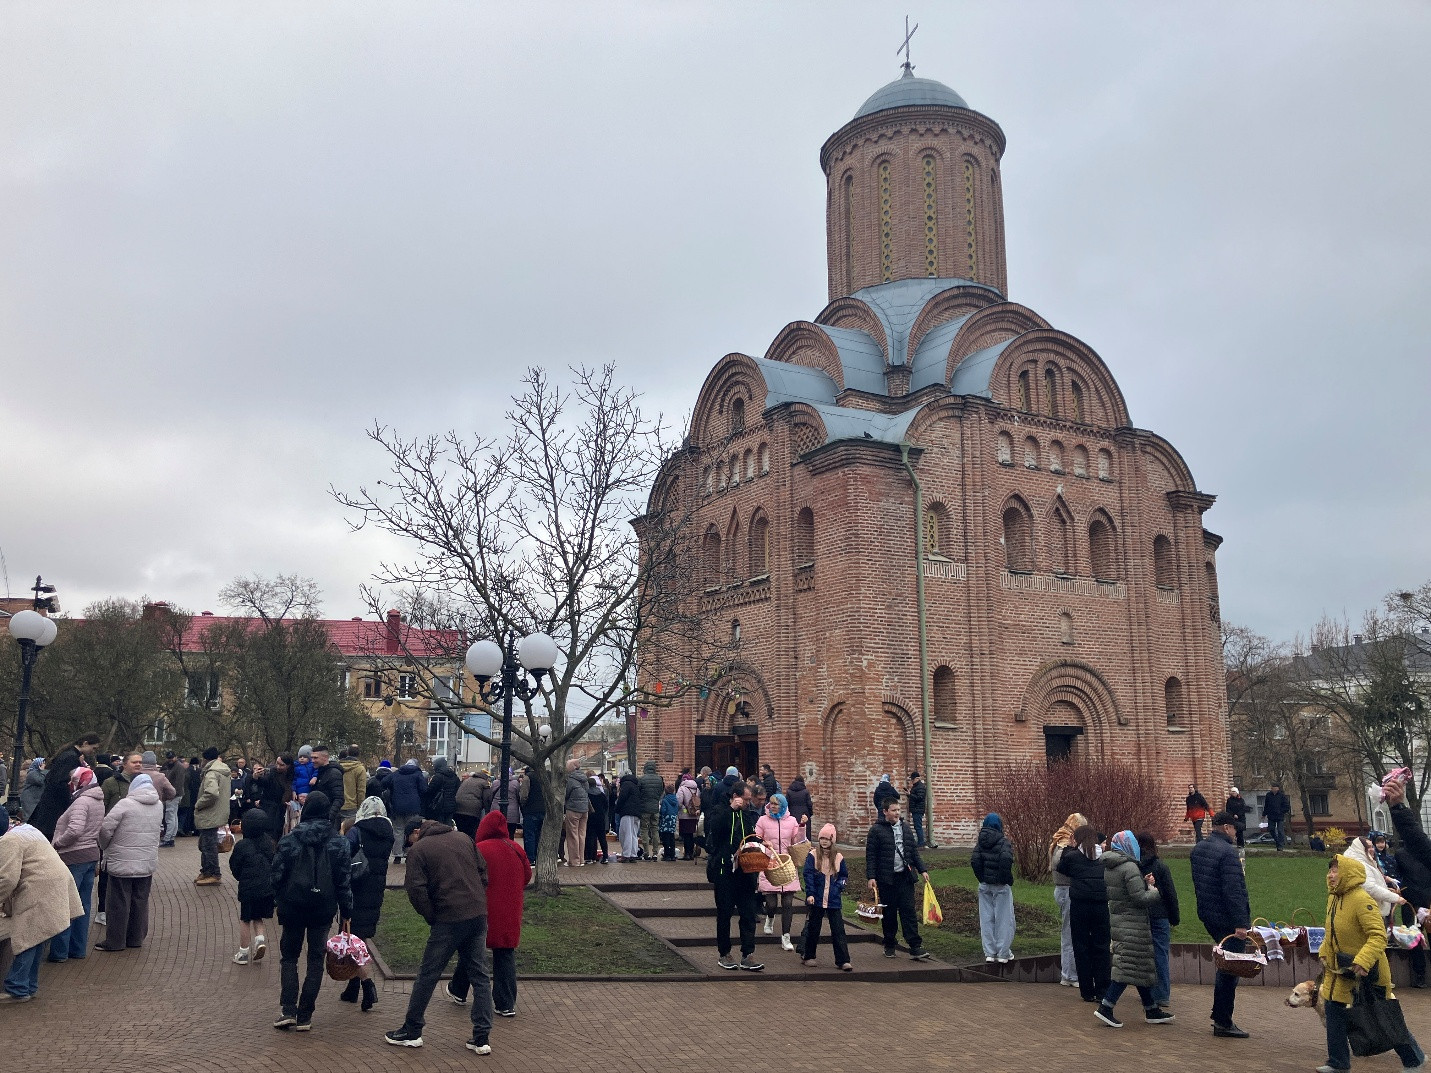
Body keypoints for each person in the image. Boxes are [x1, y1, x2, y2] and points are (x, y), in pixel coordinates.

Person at [383, 816, 493, 1053]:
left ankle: (412, 1030)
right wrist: (476, 897)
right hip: (476, 914)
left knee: (428, 974)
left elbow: (415, 889)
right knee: (480, 975)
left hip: (448, 918)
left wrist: (432, 915)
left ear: (415, 832)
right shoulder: (463, 838)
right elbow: (483, 871)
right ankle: (482, 1037)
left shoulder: (419, 850)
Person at [1319, 854, 1426, 1072]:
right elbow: (1331, 932)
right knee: (1334, 1010)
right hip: (1341, 970)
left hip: (1368, 971)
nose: (1331, 875)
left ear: (1348, 874)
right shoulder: (1333, 898)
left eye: (1336, 871)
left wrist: (1364, 960)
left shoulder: (1362, 900)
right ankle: (1338, 1062)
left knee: (1383, 1014)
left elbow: (1378, 935)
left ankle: (1414, 1059)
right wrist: (1324, 951)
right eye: (1330, 871)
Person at [270, 791, 353, 1031]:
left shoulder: (290, 839)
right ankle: (305, 1014)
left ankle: (288, 1009)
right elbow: (343, 881)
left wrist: (279, 900)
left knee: (289, 957)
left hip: (293, 905)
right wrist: (346, 911)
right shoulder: (339, 842)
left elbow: (276, 875)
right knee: (316, 959)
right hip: (323, 907)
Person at [448, 810, 532, 1018]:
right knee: (505, 953)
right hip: (510, 908)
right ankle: (505, 1003)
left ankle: (459, 989)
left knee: (472, 951)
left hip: (482, 908)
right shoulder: (515, 848)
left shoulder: (479, 849)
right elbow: (527, 875)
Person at [1093, 830, 1174, 1028]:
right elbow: (1139, 899)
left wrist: (1143, 884)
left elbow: (1126, 893)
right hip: (1132, 923)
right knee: (1128, 966)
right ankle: (1106, 1006)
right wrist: (1154, 891)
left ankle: (1151, 1008)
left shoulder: (1113, 866)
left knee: (1138, 965)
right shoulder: (1129, 867)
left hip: (1122, 920)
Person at [0, 809, 84, 1000]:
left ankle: (17, 987)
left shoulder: (9, 841)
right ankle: (28, 986)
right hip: (54, 885)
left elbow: (7, 879)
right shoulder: (28, 830)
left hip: (39, 888)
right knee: (38, 936)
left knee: (27, 937)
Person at [1189, 810, 1252, 1038]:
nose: (1236, 833)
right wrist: (1241, 923)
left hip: (1208, 915)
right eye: (1235, 828)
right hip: (1227, 919)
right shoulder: (1227, 853)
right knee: (1230, 968)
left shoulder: (1199, 849)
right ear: (1226, 827)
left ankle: (1221, 1017)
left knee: (1225, 965)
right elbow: (1233, 891)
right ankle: (1223, 1020)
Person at [95, 771, 163, 951]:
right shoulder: (159, 805)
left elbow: (105, 829)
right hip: (146, 861)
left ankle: (115, 941)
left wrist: (104, 847)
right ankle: (135, 938)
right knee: (140, 901)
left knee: (118, 902)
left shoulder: (124, 804)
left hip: (121, 861)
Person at [341, 795, 394, 1011]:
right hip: (375, 889)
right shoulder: (388, 833)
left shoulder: (357, 830)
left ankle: (367, 984)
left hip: (356, 888)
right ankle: (352, 988)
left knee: (352, 937)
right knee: (358, 937)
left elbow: (345, 853)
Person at [47, 766, 105, 961]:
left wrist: (57, 843)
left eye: (73, 779)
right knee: (83, 905)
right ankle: (78, 949)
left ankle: (59, 952)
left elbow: (75, 830)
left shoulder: (81, 801)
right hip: (90, 855)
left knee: (66, 904)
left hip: (73, 856)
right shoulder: (98, 800)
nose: (71, 783)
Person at [866, 797, 933, 961]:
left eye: (898, 810)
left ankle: (915, 946)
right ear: (885, 812)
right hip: (886, 878)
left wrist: (922, 869)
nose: (897, 813)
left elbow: (912, 852)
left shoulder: (905, 828)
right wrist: (871, 877)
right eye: (894, 810)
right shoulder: (876, 831)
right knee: (889, 914)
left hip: (905, 877)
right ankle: (889, 944)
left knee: (908, 912)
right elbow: (871, 856)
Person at [707, 780, 763, 971]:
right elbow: (715, 830)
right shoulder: (719, 810)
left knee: (748, 912)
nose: (749, 803)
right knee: (724, 913)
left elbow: (750, 836)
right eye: (746, 799)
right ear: (735, 797)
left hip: (745, 872)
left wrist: (757, 846)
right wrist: (730, 810)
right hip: (724, 871)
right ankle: (724, 953)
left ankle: (748, 953)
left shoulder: (747, 815)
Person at [1057, 825, 1111, 1003]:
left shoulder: (1073, 857)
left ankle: (1087, 990)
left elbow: (1061, 868)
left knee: (1081, 945)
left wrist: (1069, 847)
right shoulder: (1103, 857)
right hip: (1101, 905)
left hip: (1080, 904)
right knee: (1101, 946)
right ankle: (1103, 989)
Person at [800, 822, 851, 969]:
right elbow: (808, 874)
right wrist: (810, 893)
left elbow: (843, 876)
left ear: (832, 840)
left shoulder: (839, 857)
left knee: (838, 930)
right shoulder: (813, 855)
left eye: (827, 839)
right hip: (816, 898)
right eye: (821, 838)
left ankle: (843, 960)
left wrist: (839, 887)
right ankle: (808, 955)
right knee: (814, 928)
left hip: (833, 899)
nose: (823, 841)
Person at [228, 808, 276, 965]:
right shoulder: (269, 842)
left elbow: (234, 865)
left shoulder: (242, 846)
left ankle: (243, 953)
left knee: (245, 919)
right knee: (258, 917)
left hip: (248, 888)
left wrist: (241, 877)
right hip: (266, 888)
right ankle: (260, 940)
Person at [29, 734, 99, 840]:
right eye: (93, 748)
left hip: (50, 804)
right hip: (55, 806)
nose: (93, 751)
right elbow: (59, 781)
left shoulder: (69, 755)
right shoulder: (71, 758)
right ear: (85, 743)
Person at [756, 791, 802, 950]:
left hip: (787, 865)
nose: (772, 806)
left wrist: (802, 826)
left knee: (788, 902)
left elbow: (798, 840)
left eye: (776, 804)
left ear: (783, 805)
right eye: (771, 803)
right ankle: (770, 917)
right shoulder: (763, 820)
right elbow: (757, 838)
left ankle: (786, 937)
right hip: (770, 864)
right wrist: (764, 843)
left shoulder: (791, 821)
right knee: (771, 903)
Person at [1139, 831, 1180, 1010]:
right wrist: (1174, 916)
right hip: (1160, 913)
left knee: (1143, 955)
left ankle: (1146, 992)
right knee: (1160, 954)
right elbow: (1170, 894)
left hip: (1141, 914)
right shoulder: (1160, 866)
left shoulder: (1134, 866)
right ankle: (1162, 994)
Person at [970, 812, 1016, 963]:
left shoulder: (980, 841)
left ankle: (989, 953)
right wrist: (1006, 879)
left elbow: (975, 861)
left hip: (985, 885)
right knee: (1004, 919)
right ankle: (1003, 953)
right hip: (1000, 885)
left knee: (986, 919)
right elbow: (1006, 860)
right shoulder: (1003, 842)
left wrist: (982, 878)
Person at [1049, 811, 1087, 987]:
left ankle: (1070, 973)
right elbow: (1059, 864)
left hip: (1065, 890)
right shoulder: (1064, 843)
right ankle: (1069, 975)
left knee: (1072, 932)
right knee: (1070, 933)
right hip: (1067, 890)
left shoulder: (1061, 840)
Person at [1395, 824, 1431, 988]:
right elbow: (1397, 876)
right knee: (1413, 939)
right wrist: (1403, 892)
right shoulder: (1400, 854)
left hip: (1428, 901)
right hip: (1410, 903)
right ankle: (1420, 974)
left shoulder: (1427, 852)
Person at [1343, 831, 1405, 920]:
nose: (1372, 849)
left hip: (1369, 907)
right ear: (1359, 848)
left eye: (1372, 846)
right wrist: (1396, 898)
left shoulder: (1367, 861)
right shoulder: (1362, 865)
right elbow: (1370, 888)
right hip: (1369, 910)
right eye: (1368, 847)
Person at [192, 747, 231, 886]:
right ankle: (206, 871)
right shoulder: (224, 770)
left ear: (205, 759)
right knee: (206, 844)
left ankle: (214, 873)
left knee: (208, 846)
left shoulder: (211, 773)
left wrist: (199, 804)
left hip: (210, 813)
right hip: (218, 812)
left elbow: (212, 793)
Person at [390, 759, 427, 861]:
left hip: (397, 806)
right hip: (413, 806)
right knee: (412, 831)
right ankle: (409, 854)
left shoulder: (398, 773)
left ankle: (397, 855)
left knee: (398, 830)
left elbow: (385, 782)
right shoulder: (418, 774)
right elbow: (424, 789)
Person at [308, 745, 346, 831]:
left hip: (329, 822)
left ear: (325, 757)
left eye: (315, 758)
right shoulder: (319, 772)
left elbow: (339, 798)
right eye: (312, 758)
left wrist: (329, 817)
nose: (312, 761)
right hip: (318, 819)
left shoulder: (333, 773)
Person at [562, 758, 589, 868]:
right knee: (582, 834)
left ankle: (574, 861)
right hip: (584, 809)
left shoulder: (570, 779)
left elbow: (566, 794)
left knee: (572, 835)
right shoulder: (584, 779)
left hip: (573, 809)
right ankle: (581, 859)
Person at [637, 760, 664, 862]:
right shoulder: (659, 779)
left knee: (644, 829)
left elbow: (639, 793)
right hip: (655, 807)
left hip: (644, 808)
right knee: (655, 829)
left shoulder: (641, 779)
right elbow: (661, 792)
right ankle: (655, 853)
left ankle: (646, 852)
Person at [517, 766, 544, 863]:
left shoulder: (528, 777)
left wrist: (523, 805)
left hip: (531, 810)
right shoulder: (544, 776)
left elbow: (524, 795)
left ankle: (530, 858)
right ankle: (539, 856)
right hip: (543, 809)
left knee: (529, 835)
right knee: (540, 835)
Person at [453, 767, 489, 838]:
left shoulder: (467, 780)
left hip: (458, 809)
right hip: (472, 811)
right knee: (472, 833)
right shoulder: (484, 783)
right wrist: (488, 811)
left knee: (461, 832)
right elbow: (487, 798)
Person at [422, 756, 459, 826]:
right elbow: (457, 788)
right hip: (451, 805)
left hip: (439, 805)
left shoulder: (438, 776)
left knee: (439, 826)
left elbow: (430, 791)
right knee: (448, 825)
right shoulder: (454, 776)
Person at [614, 770, 640, 862]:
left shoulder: (626, 784)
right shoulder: (635, 784)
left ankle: (626, 855)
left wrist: (617, 809)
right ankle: (633, 854)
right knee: (633, 834)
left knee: (625, 833)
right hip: (637, 812)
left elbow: (622, 798)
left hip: (627, 811)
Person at [338, 746, 366, 829]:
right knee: (349, 834)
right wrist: (361, 807)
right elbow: (361, 791)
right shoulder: (360, 769)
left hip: (337, 804)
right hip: (352, 806)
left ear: (347, 753)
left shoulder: (338, 766)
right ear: (358, 754)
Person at [676, 771, 701, 861]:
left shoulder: (682, 788)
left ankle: (687, 854)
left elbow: (679, 802)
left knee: (686, 835)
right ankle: (691, 853)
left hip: (685, 814)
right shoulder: (697, 789)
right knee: (691, 834)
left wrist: (682, 808)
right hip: (694, 814)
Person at [160, 752, 184, 845]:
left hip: (173, 795)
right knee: (173, 816)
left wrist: (171, 795)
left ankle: (168, 838)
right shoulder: (172, 766)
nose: (170, 759)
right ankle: (171, 837)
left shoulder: (179, 768)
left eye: (172, 758)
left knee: (170, 817)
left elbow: (179, 783)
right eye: (169, 758)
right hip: (174, 794)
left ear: (175, 757)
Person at [586, 773, 610, 864]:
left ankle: (590, 857)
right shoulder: (601, 793)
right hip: (600, 817)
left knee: (590, 837)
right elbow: (606, 805)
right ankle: (605, 856)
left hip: (590, 817)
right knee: (602, 838)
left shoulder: (587, 794)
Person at [1263, 782, 1291, 851]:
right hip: (1271, 816)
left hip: (1280, 816)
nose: (1273, 789)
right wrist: (1264, 814)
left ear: (1277, 788)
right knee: (1271, 829)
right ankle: (1277, 841)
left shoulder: (1282, 796)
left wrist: (1281, 811)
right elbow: (1266, 805)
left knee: (1280, 831)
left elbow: (1287, 806)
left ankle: (1280, 846)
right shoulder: (1268, 795)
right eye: (1272, 788)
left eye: (1274, 788)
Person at [659, 782, 679, 861]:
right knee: (672, 838)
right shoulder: (675, 799)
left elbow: (663, 811)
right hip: (673, 819)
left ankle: (667, 855)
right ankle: (672, 855)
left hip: (665, 820)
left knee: (665, 838)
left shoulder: (665, 800)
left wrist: (661, 815)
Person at [907, 771, 928, 847]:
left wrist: (910, 795)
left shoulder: (920, 787)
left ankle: (921, 842)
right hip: (916, 809)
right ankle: (920, 842)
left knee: (918, 826)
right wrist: (909, 795)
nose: (912, 781)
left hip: (918, 809)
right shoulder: (916, 786)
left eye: (913, 779)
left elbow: (919, 798)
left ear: (917, 778)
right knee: (917, 826)